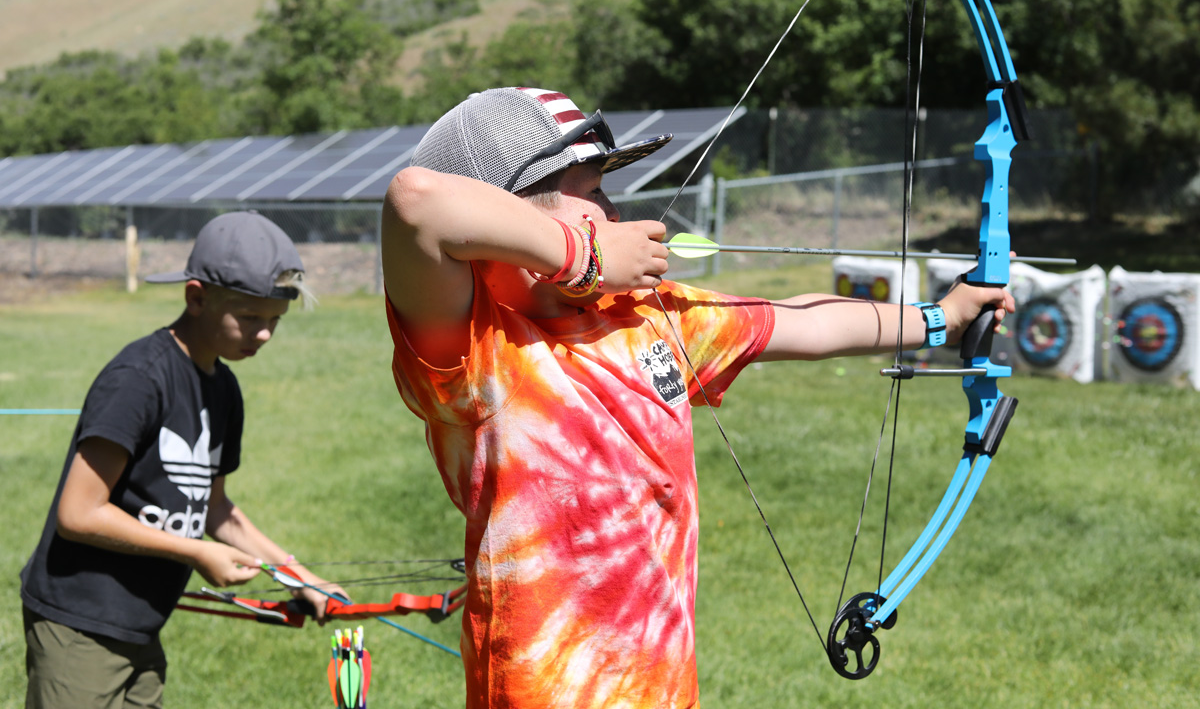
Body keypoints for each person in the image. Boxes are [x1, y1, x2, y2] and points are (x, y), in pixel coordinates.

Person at [380, 87, 1015, 708]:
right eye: (592, 193)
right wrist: (587, 256)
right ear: (509, 218)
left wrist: (941, 318)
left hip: (663, 688)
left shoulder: (645, 316)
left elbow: (806, 322)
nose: (615, 211)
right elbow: (417, 203)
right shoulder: (476, 354)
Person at [21, 211, 345, 709]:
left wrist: (296, 574)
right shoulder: (138, 379)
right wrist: (195, 553)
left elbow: (215, 507)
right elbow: (79, 513)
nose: (264, 335)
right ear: (196, 298)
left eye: (275, 320)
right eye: (250, 318)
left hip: (142, 621)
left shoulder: (224, 389)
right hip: (79, 622)